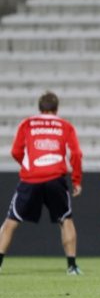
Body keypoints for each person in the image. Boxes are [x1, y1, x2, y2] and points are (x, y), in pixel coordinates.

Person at [0, 91, 83, 275]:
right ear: (56, 108)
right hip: (56, 178)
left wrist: (29, 165)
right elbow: (76, 154)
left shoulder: (27, 123)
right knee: (65, 220)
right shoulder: (65, 125)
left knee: (10, 222)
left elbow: (15, 151)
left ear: (40, 107)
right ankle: (72, 266)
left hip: (31, 179)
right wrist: (76, 180)